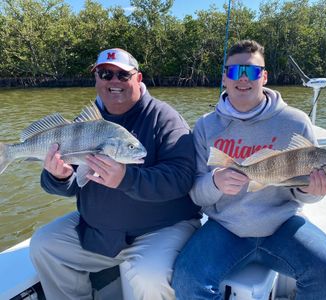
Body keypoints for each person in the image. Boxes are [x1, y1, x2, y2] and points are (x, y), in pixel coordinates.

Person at [172, 40, 326, 299]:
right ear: (224, 77)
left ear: (264, 76)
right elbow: (197, 196)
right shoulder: (205, 127)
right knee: (187, 281)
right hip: (225, 226)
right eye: (234, 71)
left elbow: (306, 196)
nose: (243, 79)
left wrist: (310, 190)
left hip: (283, 224)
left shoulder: (295, 121)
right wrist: (215, 183)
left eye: (252, 71)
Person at [30, 48, 201, 300]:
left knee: (149, 276)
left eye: (123, 75)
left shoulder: (164, 118)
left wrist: (127, 179)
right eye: (105, 73)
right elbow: (71, 186)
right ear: (96, 79)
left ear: (138, 78)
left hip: (160, 229)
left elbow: (182, 177)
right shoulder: (85, 123)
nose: (114, 81)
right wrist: (59, 177)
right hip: (99, 233)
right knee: (44, 245)